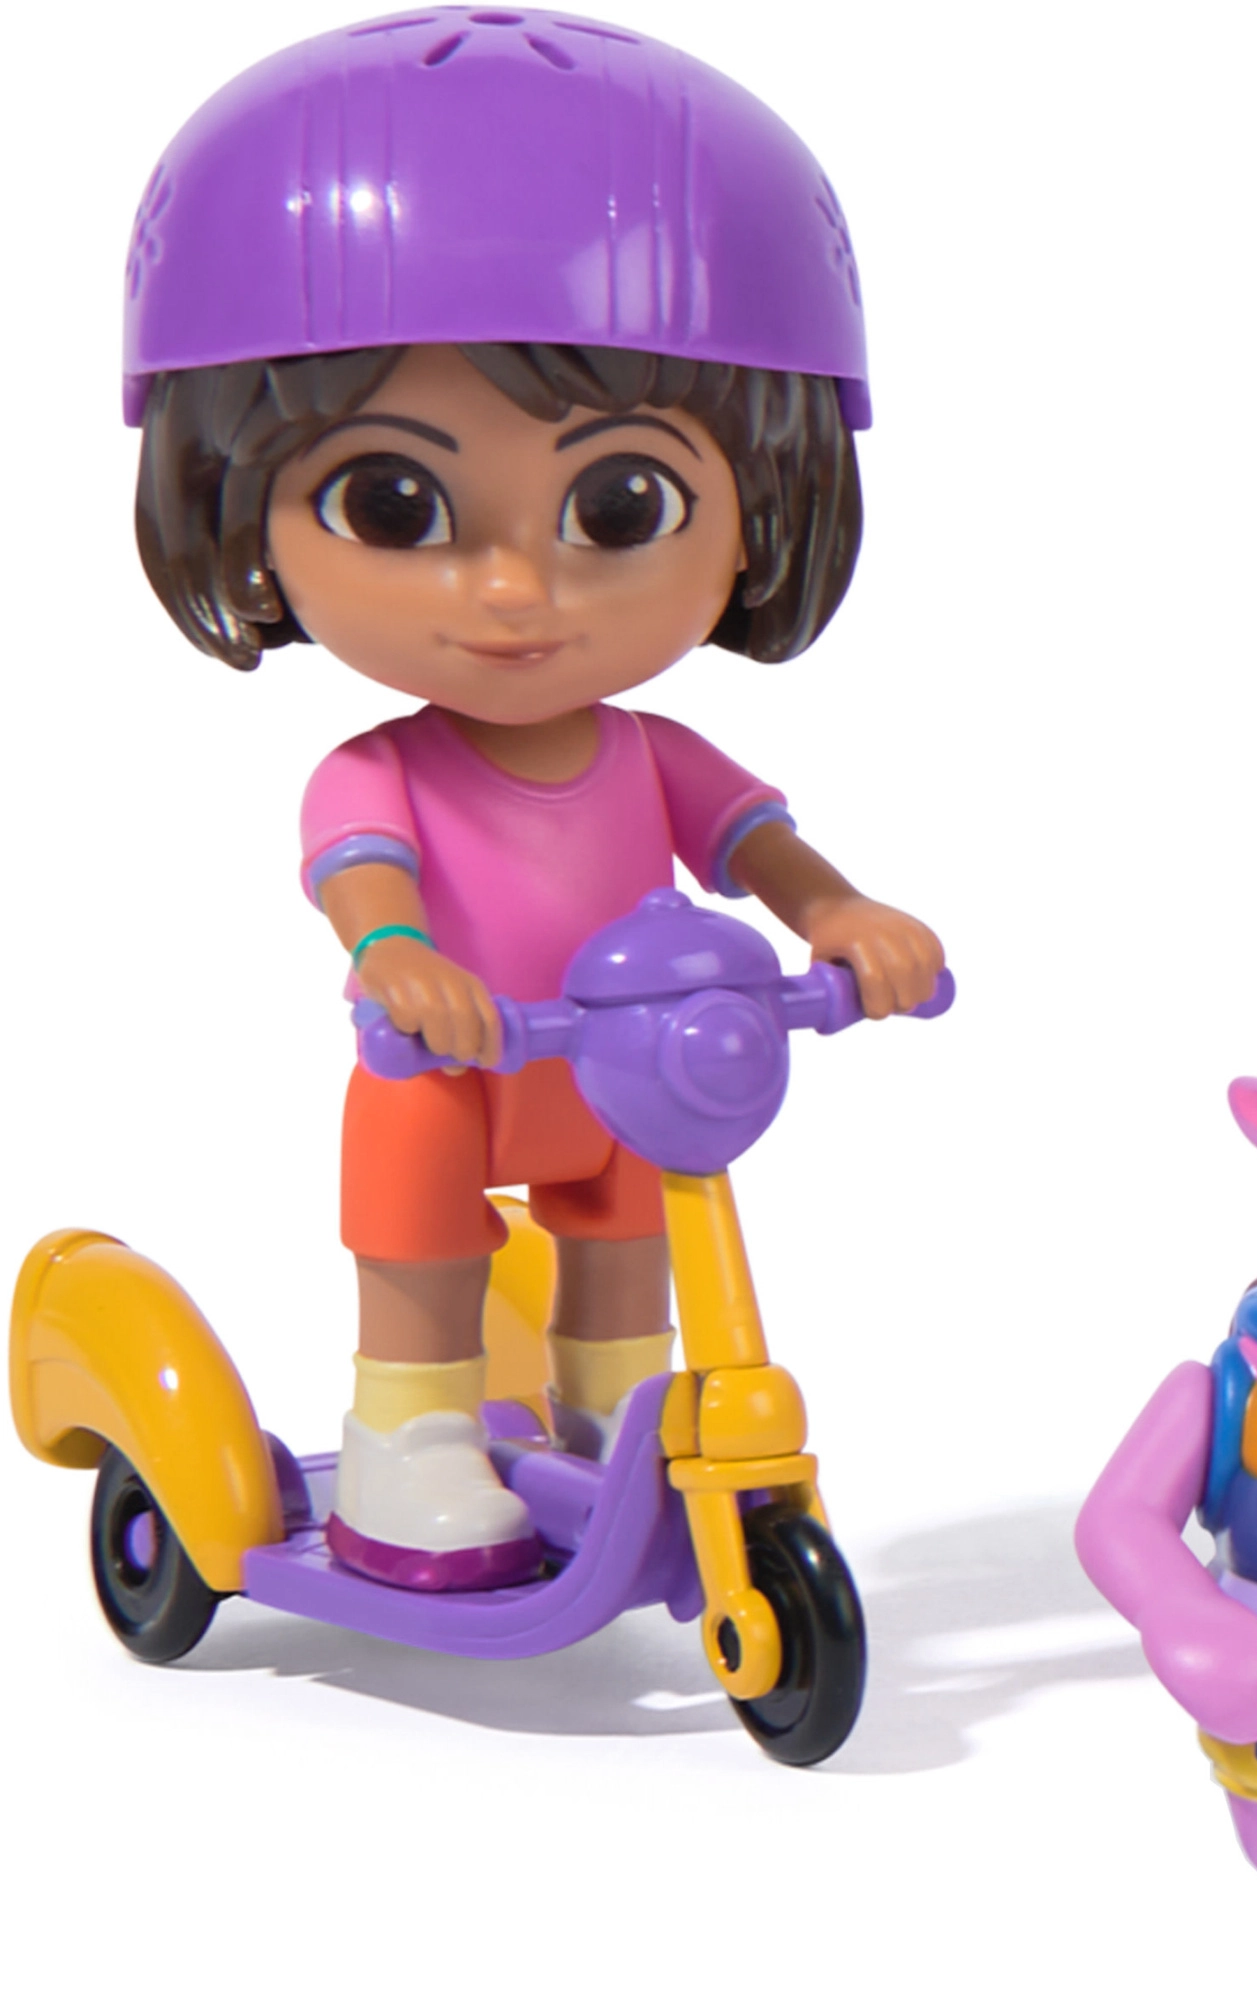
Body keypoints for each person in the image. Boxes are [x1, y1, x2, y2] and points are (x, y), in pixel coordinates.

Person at [126, 9, 941, 1588]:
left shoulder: (657, 754)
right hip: (450, 1059)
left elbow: (761, 848)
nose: (515, 590)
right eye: (394, 503)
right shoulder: (378, 771)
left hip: (631, 1064)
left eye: (621, 504)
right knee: (422, 1224)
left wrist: (843, 917)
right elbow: (365, 878)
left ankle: (607, 1400)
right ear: (231, 505)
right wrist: (398, 959)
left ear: (766, 508)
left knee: (631, 1231)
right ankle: (412, 1427)